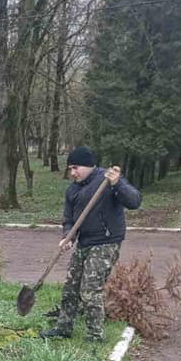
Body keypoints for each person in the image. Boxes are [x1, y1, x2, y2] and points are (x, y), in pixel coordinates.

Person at [40, 146, 141, 343]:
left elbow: (135, 201)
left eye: (75, 168)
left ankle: (95, 335)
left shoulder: (106, 179)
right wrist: (68, 236)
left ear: (88, 166)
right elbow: (69, 219)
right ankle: (63, 327)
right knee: (70, 287)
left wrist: (117, 183)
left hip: (106, 241)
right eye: (70, 169)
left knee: (90, 289)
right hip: (84, 242)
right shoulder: (72, 189)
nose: (72, 173)